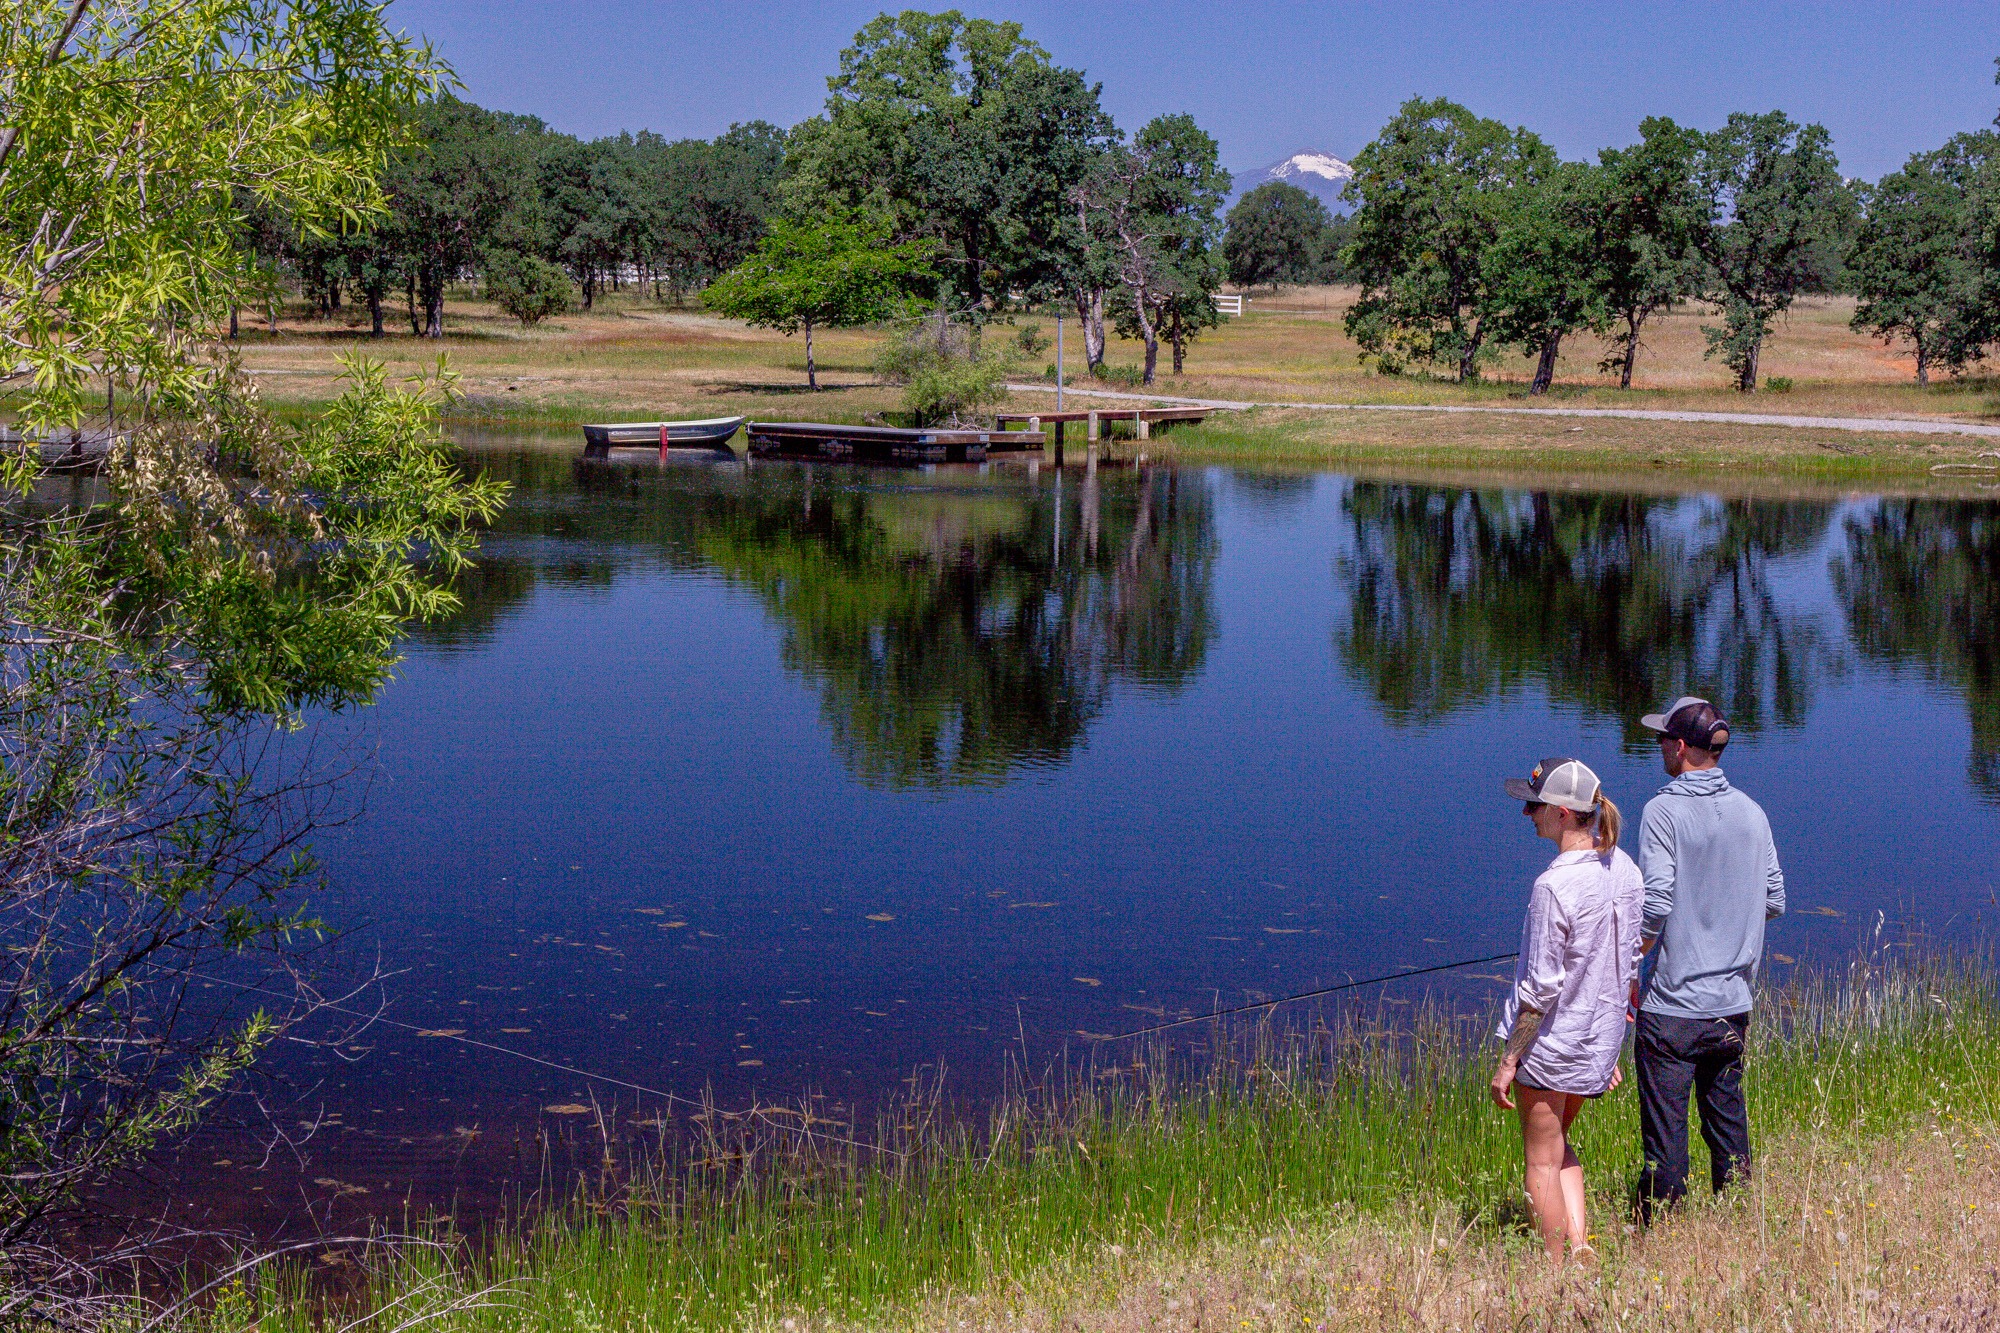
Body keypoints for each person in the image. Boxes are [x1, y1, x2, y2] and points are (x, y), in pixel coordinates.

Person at [1633, 696, 1785, 1219]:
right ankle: (1737, 1222)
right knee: (1727, 1123)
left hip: (1672, 1009)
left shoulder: (1662, 811)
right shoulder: (1753, 812)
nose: (1659, 750)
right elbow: (1774, 899)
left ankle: (1665, 1233)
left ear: (1679, 747)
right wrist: (1726, 928)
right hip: (1732, 1005)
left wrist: (1629, 957)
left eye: (1661, 740)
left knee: (1667, 1135)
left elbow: (1653, 903)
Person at [1490, 757, 1644, 1265]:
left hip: (1551, 1048)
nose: (1527, 814)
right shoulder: (1625, 869)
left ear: (1560, 812)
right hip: (1597, 1044)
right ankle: (1580, 1249)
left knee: (1540, 1159)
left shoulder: (1553, 887)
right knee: (1559, 1148)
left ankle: (1556, 1271)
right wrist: (1612, 1043)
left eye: (1534, 805)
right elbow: (1629, 961)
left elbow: (1540, 989)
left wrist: (1511, 1061)